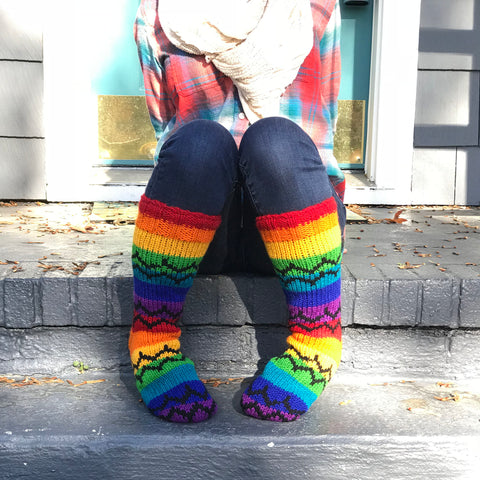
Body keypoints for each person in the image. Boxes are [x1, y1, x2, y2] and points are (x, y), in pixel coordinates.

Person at [129, 0, 346, 423]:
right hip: (203, 228)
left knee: (277, 138)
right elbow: (165, 129)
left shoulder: (317, 6)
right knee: (198, 142)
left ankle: (318, 337)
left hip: (299, 220)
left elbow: (326, 117)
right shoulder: (158, 12)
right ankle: (152, 337)